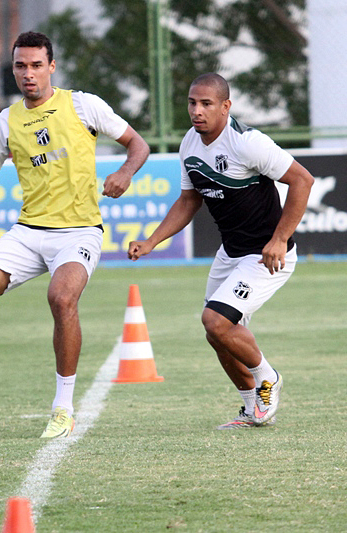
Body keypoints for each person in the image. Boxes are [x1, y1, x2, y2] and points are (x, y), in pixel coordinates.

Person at [0, 31, 149, 438]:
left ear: (52, 67)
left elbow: (138, 145)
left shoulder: (83, 104)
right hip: (28, 233)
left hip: (78, 232)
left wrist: (124, 173)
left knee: (61, 298)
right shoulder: (6, 121)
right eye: (20, 66)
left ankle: (63, 408)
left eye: (36, 65)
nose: (28, 74)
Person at [128, 73, 313, 430]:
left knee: (216, 320)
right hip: (231, 253)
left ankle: (268, 378)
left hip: (265, 256)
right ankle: (250, 407)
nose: (197, 111)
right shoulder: (190, 144)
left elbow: (302, 180)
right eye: (192, 103)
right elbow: (189, 199)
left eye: (206, 104)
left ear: (226, 106)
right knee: (216, 334)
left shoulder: (248, 143)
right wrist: (152, 241)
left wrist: (278, 239)